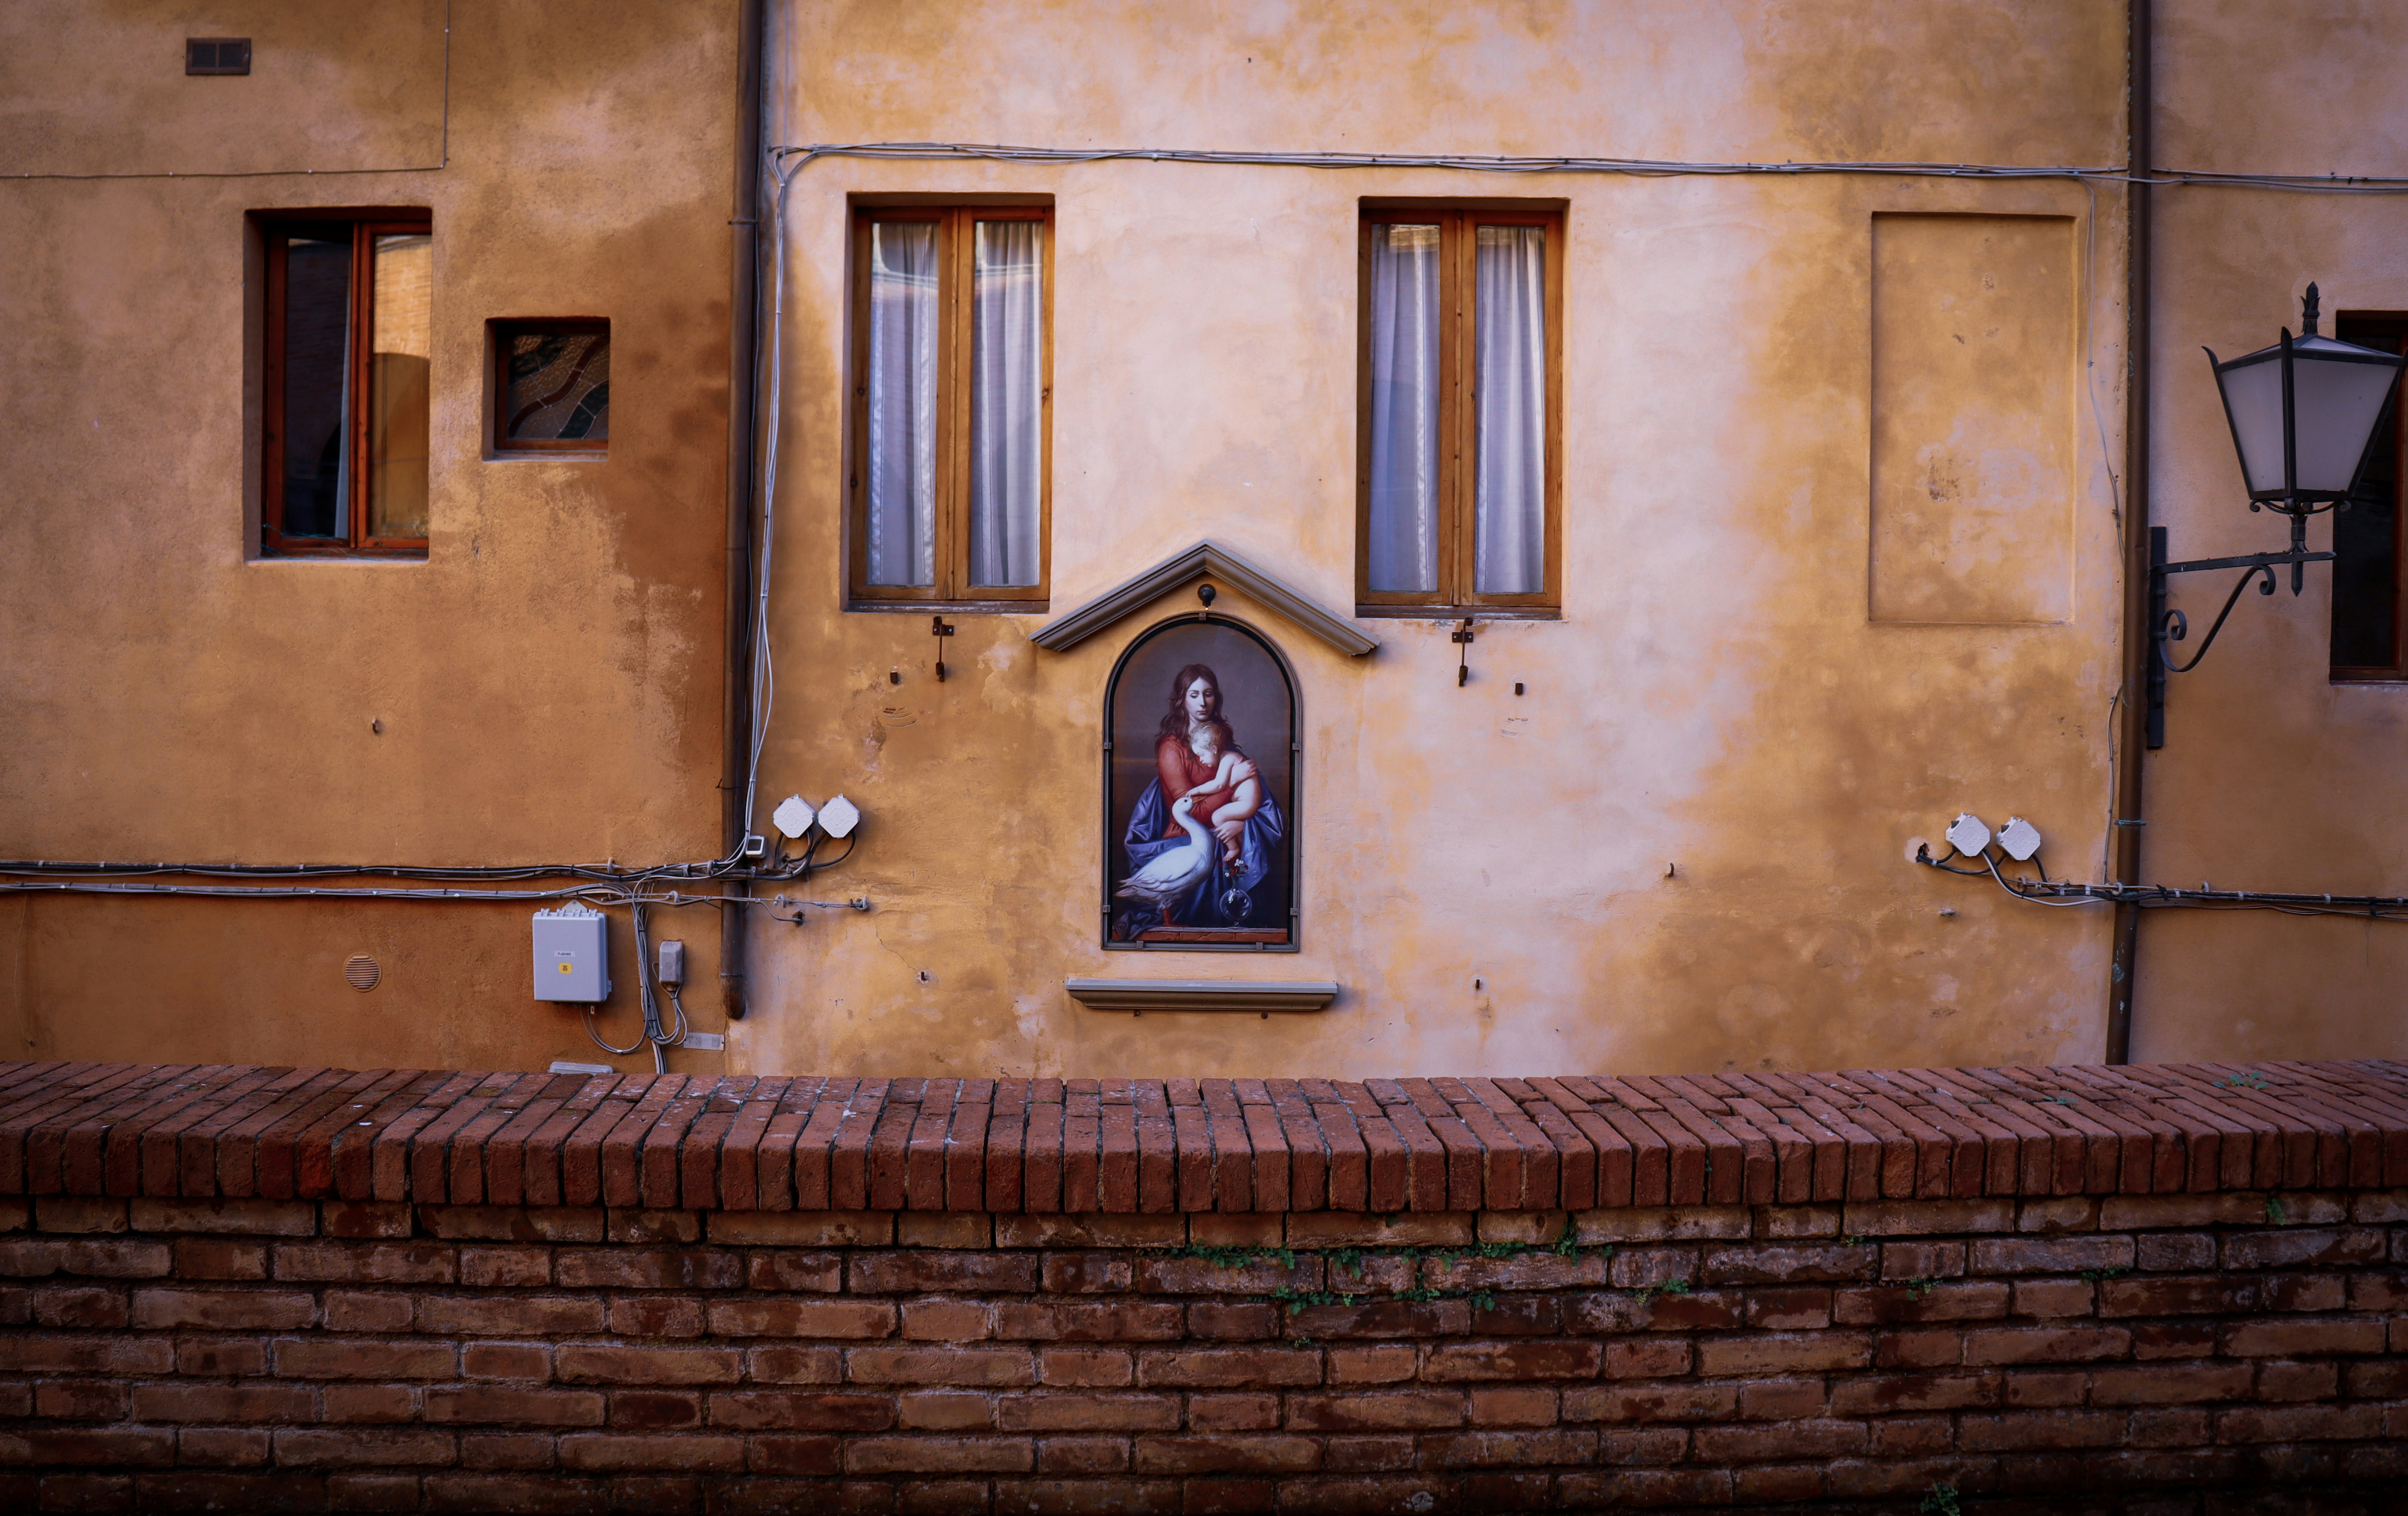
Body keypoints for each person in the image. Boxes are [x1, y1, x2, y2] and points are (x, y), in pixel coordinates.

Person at [1118, 662, 1285, 933]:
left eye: (1208, 694)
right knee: (1213, 850)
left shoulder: (1218, 739)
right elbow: (1190, 813)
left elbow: (1251, 796)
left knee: (1242, 850)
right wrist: (1231, 784)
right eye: (1194, 695)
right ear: (1182, 700)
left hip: (1222, 829)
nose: (1203, 703)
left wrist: (1243, 823)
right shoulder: (1171, 749)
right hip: (1184, 838)